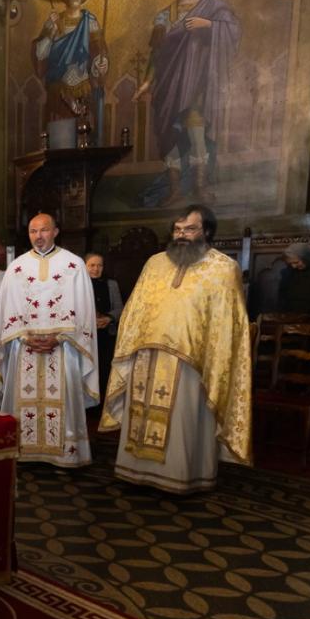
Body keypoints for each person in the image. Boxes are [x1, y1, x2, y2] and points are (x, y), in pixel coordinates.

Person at [100, 204, 251, 493]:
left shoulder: (223, 268)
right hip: (146, 355)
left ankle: (182, 477)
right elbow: (135, 308)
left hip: (192, 361)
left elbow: (228, 323)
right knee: (141, 416)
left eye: (190, 229)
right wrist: (131, 343)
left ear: (207, 231)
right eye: (177, 230)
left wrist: (211, 358)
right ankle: (136, 471)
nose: (181, 235)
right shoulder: (155, 263)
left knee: (183, 422)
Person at [0, 213, 98, 466]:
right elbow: (6, 309)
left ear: (55, 231)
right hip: (24, 347)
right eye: (33, 231)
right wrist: (24, 337)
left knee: (64, 397)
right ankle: (25, 450)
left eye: (43, 230)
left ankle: (64, 454)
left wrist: (60, 337)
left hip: (64, 348)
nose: (38, 236)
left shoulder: (74, 265)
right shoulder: (16, 268)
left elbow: (84, 310)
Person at [133, 0, 241, 205]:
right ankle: (175, 190)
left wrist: (208, 25)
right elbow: (156, 54)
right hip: (168, 85)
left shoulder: (212, 6)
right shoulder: (164, 15)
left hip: (196, 83)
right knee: (169, 136)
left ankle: (200, 187)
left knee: (196, 132)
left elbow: (233, 30)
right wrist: (147, 82)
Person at [34, 0, 108, 142]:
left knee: (84, 144)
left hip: (84, 92)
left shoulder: (90, 21)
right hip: (59, 95)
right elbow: (40, 55)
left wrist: (100, 65)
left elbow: (98, 51)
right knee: (61, 145)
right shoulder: (54, 21)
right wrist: (52, 32)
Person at [85, 252, 123, 405]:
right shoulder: (79, 284)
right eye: (92, 265)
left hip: (107, 336)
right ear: (84, 266)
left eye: (99, 265)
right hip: (85, 338)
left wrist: (108, 318)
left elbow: (120, 308)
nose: (96, 269)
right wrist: (90, 321)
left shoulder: (111, 284)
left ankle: (103, 406)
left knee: (104, 371)